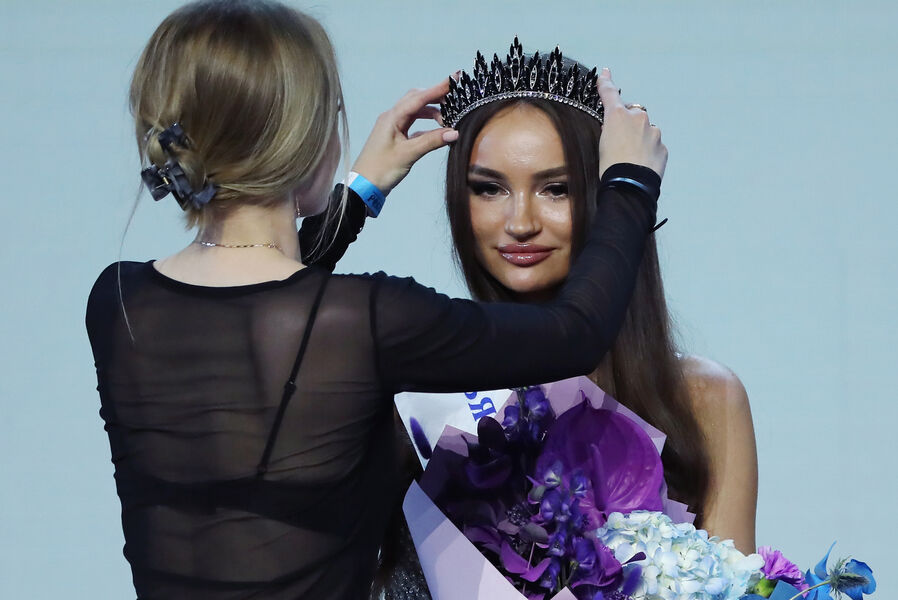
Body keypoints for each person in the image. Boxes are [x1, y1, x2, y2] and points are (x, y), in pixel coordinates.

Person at [85, 6, 666, 600]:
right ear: (312, 141)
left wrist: (358, 194)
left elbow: (257, 304)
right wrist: (629, 181)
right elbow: (577, 333)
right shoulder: (365, 320)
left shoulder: (119, 302)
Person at [441, 46, 758, 554]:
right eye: (489, 189)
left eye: (556, 189)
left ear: (606, 200)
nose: (520, 223)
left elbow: (731, 582)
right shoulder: (422, 388)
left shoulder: (703, 399)